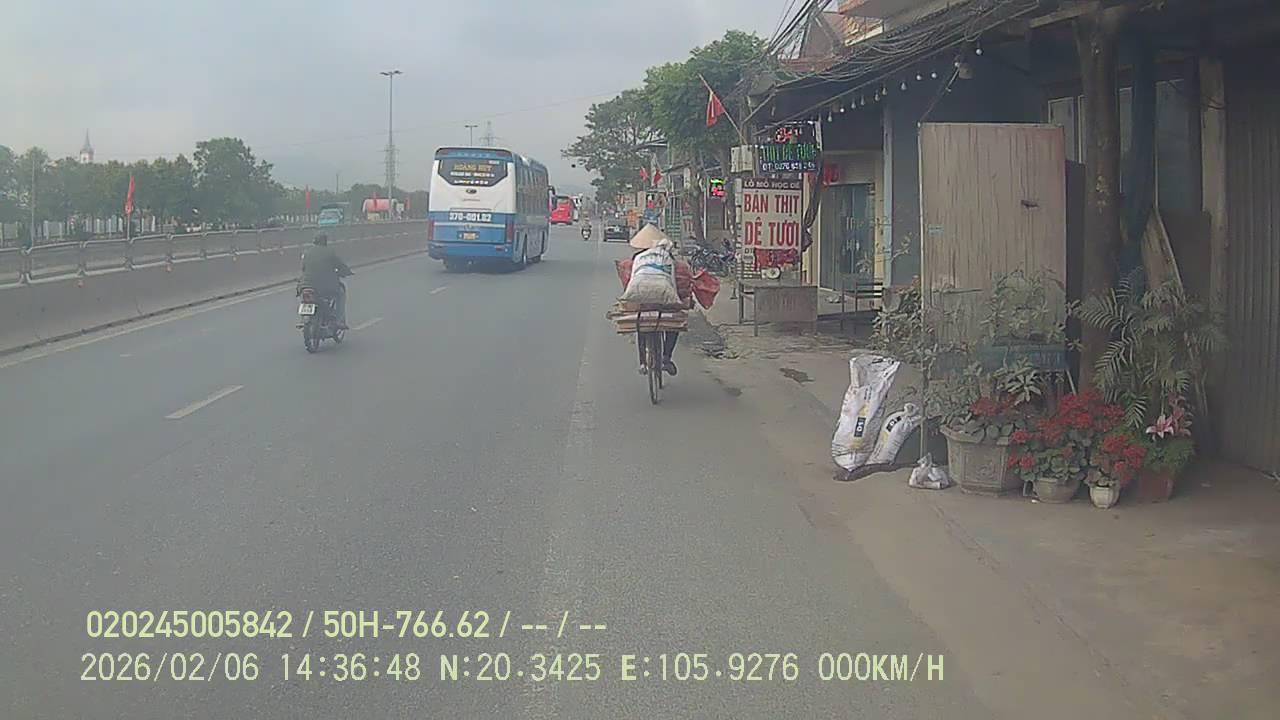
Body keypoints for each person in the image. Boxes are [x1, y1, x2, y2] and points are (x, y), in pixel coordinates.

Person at [627, 227, 692, 376]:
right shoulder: (667, 257)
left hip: (643, 301)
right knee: (673, 326)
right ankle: (666, 357)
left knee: (641, 324)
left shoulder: (638, 258)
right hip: (665, 301)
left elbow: (631, 280)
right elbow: (674, 280)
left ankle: (642, 362)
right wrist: (676, 299)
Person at [300, 232, 351, 329]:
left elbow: (303, 268)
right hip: (325, 286)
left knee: (305, 297)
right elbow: (340, 265)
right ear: (325, 241)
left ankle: (305, 318)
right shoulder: (330, 252)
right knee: (340, 293)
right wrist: (347, 272)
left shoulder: (306, 253)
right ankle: (339, 320)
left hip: (306, 285)